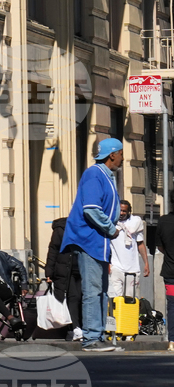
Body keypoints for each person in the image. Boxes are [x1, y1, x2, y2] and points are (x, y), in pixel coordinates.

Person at [60, 137, 124, 352]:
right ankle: (91, 338)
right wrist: (111, 228)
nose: (122, 158)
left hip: (100, 242)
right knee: (92, 289)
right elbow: (91, 209)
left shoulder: (106, 175)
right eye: (121, 154)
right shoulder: (94, 174)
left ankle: (98, 335)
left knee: (102, 291)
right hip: (89, 240)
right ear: (112, 155)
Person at [45, 217, 82, 340]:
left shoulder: (86, 225)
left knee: (82, 297)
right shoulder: (61, 228)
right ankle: (75, 328)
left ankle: (80, 327)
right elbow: (53, 249)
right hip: (65, 269)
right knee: (73, 297)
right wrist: (49, 271)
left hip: (83, 269)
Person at [108, 200, 149, 299]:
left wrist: (146, 263)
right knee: (114, 299)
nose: (121, 213)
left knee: (130, 300)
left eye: (124, 211)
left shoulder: (135, 223)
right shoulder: (110, 223)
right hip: (116, 267)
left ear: (128, 212)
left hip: (132, 269)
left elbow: (140, 244)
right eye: (120, 210)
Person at [156, 208, 174, 352]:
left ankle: (172, 341)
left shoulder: (163, 221)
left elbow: (160, 246)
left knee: (172, 307)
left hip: (170, 270)